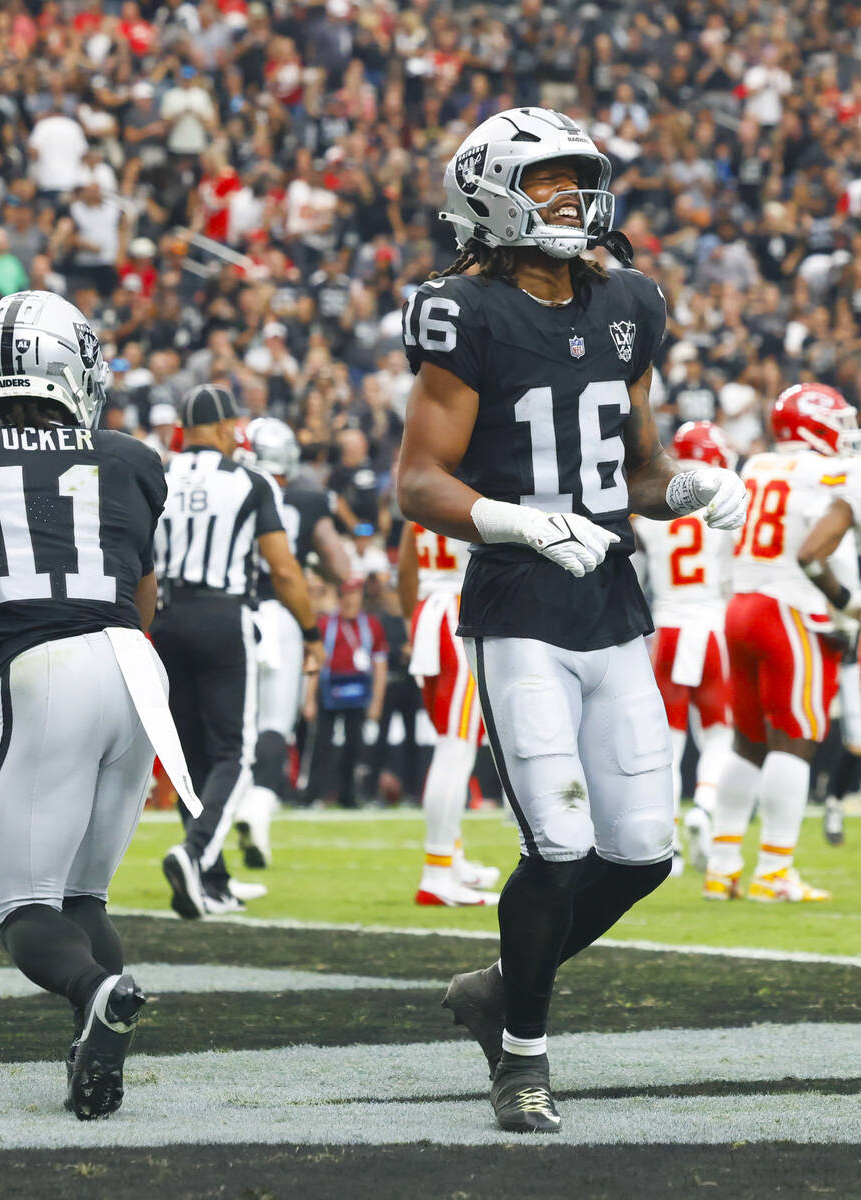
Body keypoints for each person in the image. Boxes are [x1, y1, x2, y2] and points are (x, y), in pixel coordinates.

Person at [394, 108, 747, 1133]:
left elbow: (633, 471)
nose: (570, 199)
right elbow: (418, 482)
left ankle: (499, 988)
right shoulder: (463, 311)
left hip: (610, 603)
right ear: (491, 193)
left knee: (639, 852)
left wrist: (686, 489)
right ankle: (522, 1055)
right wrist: (514, 522)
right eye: (546, 181)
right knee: (555, 845)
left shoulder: (628, 300)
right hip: (517, 610)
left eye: (575, 179)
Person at [0, 289, 197, 1121]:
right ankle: (94, 1037)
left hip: (44, 664)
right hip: (137, 668)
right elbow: (142, 591)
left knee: (26, 910)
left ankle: (98, 990)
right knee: (83, 897)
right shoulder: (135, 458)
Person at [151, 387, 324, 917]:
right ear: (229, 428)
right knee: (235, 751)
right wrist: (311, 630)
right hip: (224, 616)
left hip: (165, 615)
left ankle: (212, 880)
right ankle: (196, 851)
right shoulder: (250, 482)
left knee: (190, 756)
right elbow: (284, 569)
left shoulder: (155, 476)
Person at [704, 382, 860, 903]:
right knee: (795, 740)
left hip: (741, 606)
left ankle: (723, 866)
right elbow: (817, 553)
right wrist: (848, 605)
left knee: (748, 744)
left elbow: (725, 551)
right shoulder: (827, 472)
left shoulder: (758, 465)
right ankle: (774, 870)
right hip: (790, 611)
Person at [233, 416, 350, 869]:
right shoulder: (304, 497)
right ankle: (258, 808)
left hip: (237, 611)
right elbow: (341, 568)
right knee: (275, 725)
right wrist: (309, 568)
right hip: (284, 616)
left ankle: (224, 825)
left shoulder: (234, 487)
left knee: (238, 730)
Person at [631, 421, 736, 876]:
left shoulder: (659, 496)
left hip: (670, 628)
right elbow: (733, 579)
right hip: (712, 628)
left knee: (668, 742)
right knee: (718, 735)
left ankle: (668, 846)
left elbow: (637, 578)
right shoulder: (726, 495)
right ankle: (707, 805)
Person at [398, 520, 500, 906]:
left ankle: (451, 859)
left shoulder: (425, 477)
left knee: (454, 743)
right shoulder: (473, 476)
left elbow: (406, 566)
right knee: (455, 749)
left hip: (430, 611)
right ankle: (437, 871)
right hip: (460, 612)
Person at [303, 578, 388, 808]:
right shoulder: (325, 625)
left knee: (354, 745)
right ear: (340, 599)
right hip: (329, 689)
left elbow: (380, 666)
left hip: (358, 691)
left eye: (356, 595)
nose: (352, 600)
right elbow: (315, 662)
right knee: (322, 742)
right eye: (347, 595)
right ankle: (313, 794)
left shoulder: (372, 626)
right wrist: (309, 699)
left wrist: (377, 701)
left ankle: (348, 795)